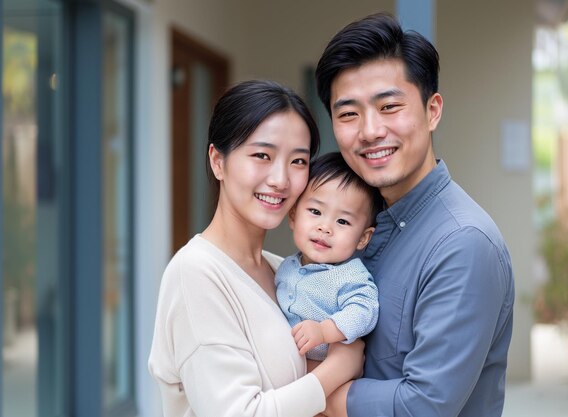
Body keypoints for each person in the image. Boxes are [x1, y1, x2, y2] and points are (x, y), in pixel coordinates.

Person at [314, 13, 515, 417]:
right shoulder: (359, 224)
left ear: (432, 110)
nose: (369, 131)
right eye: (348, 114)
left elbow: (423, 407)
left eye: (389, 106)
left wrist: (307, 396)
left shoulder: (463, 243)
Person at [148, 80, 364, 417]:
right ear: (218, 161)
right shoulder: (196, 274)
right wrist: (339, 367)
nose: (280, 179)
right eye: (262, 155)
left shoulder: (284, 270)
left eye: (298, 161)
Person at [275, 152, 382, 362]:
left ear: (363, 237)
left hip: (325, 371)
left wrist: (324, 331)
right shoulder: (286, 266)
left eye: (342, 222)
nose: (325, 228)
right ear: (294, 215)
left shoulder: (351, 276)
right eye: (315, 211)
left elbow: (364, 311)